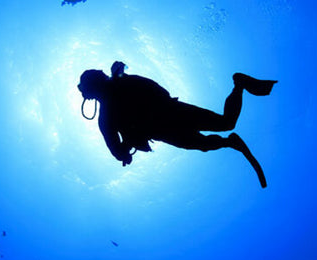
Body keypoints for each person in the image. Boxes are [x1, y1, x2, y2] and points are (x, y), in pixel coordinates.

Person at [77, 61, 276, 188]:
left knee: (207, 141)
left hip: (165, 128)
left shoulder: (105, 117)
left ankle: (230, 141)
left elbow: (117, 151)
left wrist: (126, 152)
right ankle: (238, 86)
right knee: (224, 124)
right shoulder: (118, 79)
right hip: (173, 112)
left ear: (91, 92)